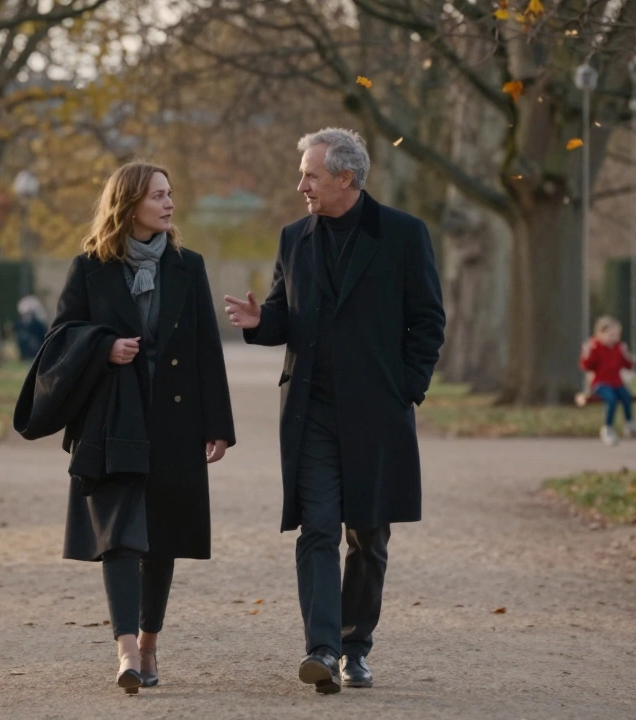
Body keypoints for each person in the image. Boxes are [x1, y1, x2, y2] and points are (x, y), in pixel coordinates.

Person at [223, 128, 445, 694]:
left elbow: (428, 321)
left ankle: (354, 645)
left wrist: (407, 389)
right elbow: (283, 315)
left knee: (368, 537)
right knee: (316, 528)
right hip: (311, 412)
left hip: (377, 414)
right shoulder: (294, 237)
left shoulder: (402, 234)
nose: (301, 185)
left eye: (310, 176)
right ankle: (321, 648)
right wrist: (260, 322)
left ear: (345, 178)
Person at [20, 162, 236, 693]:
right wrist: (103, 346)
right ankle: (124, 652)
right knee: (117, 535)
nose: (168, 204)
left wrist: (219, 425)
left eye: (170, 194)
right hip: (114, 417)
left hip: (176, 418)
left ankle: (149, 643)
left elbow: (206, 347)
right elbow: (60, 338)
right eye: (158, 195)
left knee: (160, 537)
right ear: (129, 203)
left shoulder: (189, 265)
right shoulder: (90, 266)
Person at [579, 316, 636, 445]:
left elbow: (627, 365)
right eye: (611, 335)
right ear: (600, 334)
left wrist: (627, 355)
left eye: (617, 335)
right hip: (600, 383)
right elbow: (586, 366)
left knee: (626, 396)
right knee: (611, 399)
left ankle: (629, 423)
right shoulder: (595, 347)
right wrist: (587, 352)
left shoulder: (618, 348)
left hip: (616, 382)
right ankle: (608, 427)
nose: (614, 338)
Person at [13, 294, 48, 361]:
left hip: (38, 349)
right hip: (27, 351)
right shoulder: (19, 324)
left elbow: (43, 335)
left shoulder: (38, 323)